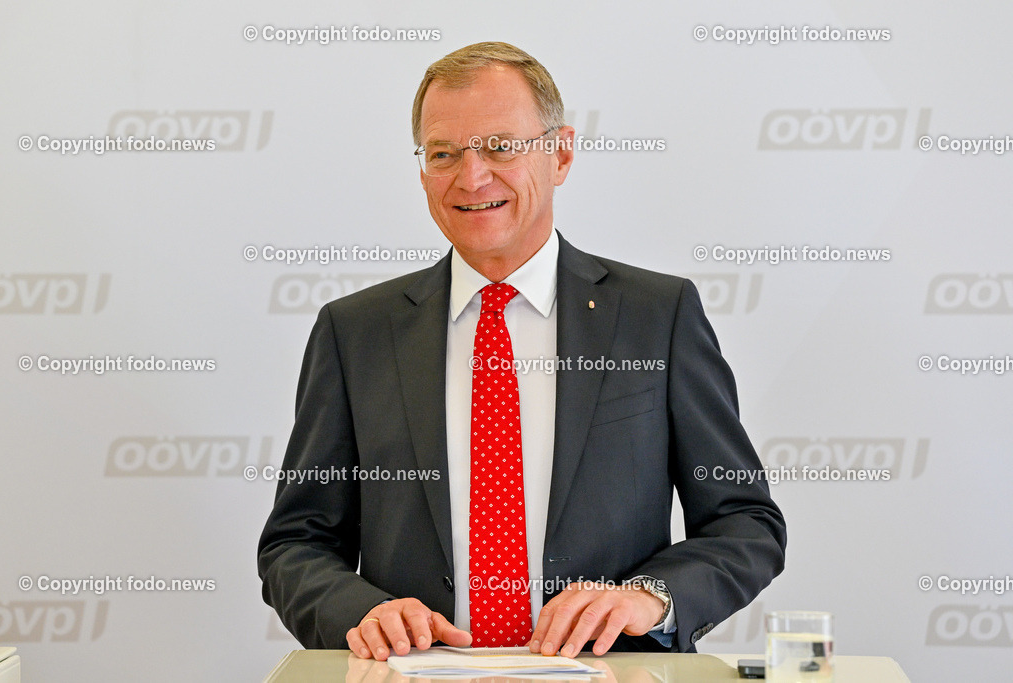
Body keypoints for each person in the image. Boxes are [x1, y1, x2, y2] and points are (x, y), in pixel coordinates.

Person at [258, 41, 785, 661]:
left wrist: (650, 597)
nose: (472, 176)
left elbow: (745, 523)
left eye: (501, 147)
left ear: (560, 154)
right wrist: (362, 612)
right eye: (444, 153)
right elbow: (295, 543)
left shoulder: (655, 317)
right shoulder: (355, 332)